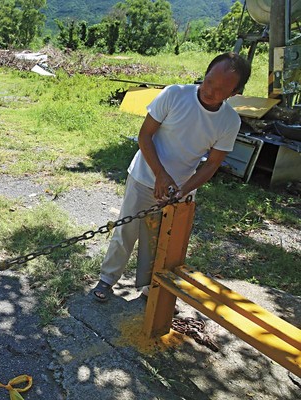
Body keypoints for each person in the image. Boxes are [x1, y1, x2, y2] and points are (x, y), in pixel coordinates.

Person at [92, 52, 251, 303]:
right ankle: (108, 279)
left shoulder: (229, 121)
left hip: (181, 189)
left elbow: (211, 165)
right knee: (127, 230)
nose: (210, 90)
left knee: (163, 243)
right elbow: (145, 136)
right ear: (205, 74)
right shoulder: (174, 94)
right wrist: (160, 175)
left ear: (235, 93)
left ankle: (151, 288)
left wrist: (182, 190)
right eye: (208, 81)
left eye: (221, 88)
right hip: (145, 175)